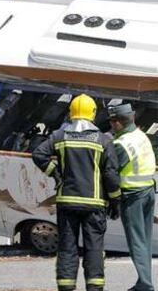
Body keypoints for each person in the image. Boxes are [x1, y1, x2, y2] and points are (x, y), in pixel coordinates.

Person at [32, 94, 121, 291]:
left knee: (67, 248)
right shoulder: (103, 140)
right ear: (93, 114)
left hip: (67, 202)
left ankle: (66, 287)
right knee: (94, 249)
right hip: (94, 204)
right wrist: (115, 201)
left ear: (71, 113)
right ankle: (94, 287)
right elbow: (111, 175)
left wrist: (54, 172)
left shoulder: (60, 136)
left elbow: (38, 154)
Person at [108, 103, 156, 291]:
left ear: (119, 122)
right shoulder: (140, 135)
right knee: (144, 241)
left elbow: (110, 172)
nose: (111, 125)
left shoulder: (122, 144)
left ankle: (145, 285)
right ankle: (143, 282)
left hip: (133, 196)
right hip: (148, 191)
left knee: (136, 242)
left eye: (113, 121)